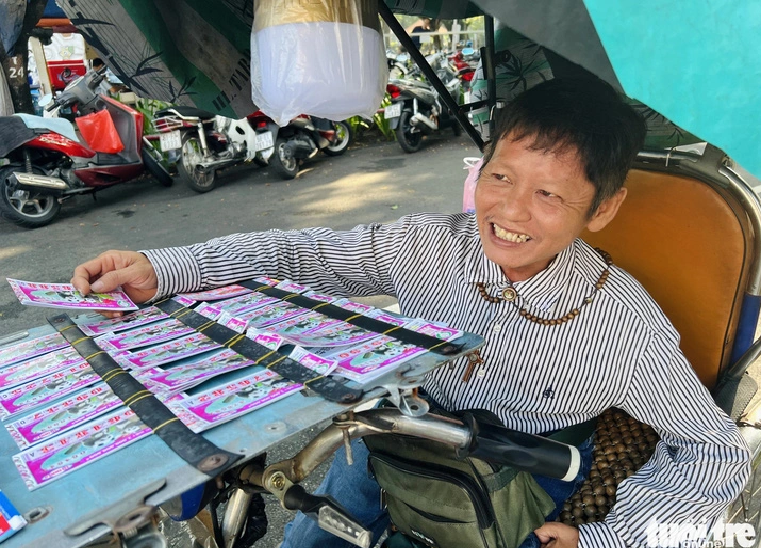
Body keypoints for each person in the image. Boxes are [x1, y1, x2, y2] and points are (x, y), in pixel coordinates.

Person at [71, 78, 750, 548]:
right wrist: (164, 267)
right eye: (500, 177)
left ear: (601, 209)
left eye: (549, 195)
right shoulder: (426, 244)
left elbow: (714, 451)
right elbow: (295, 251)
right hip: (393, 436)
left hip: (519, 475)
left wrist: (610, 537)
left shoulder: (622, 324)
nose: (509, 213)